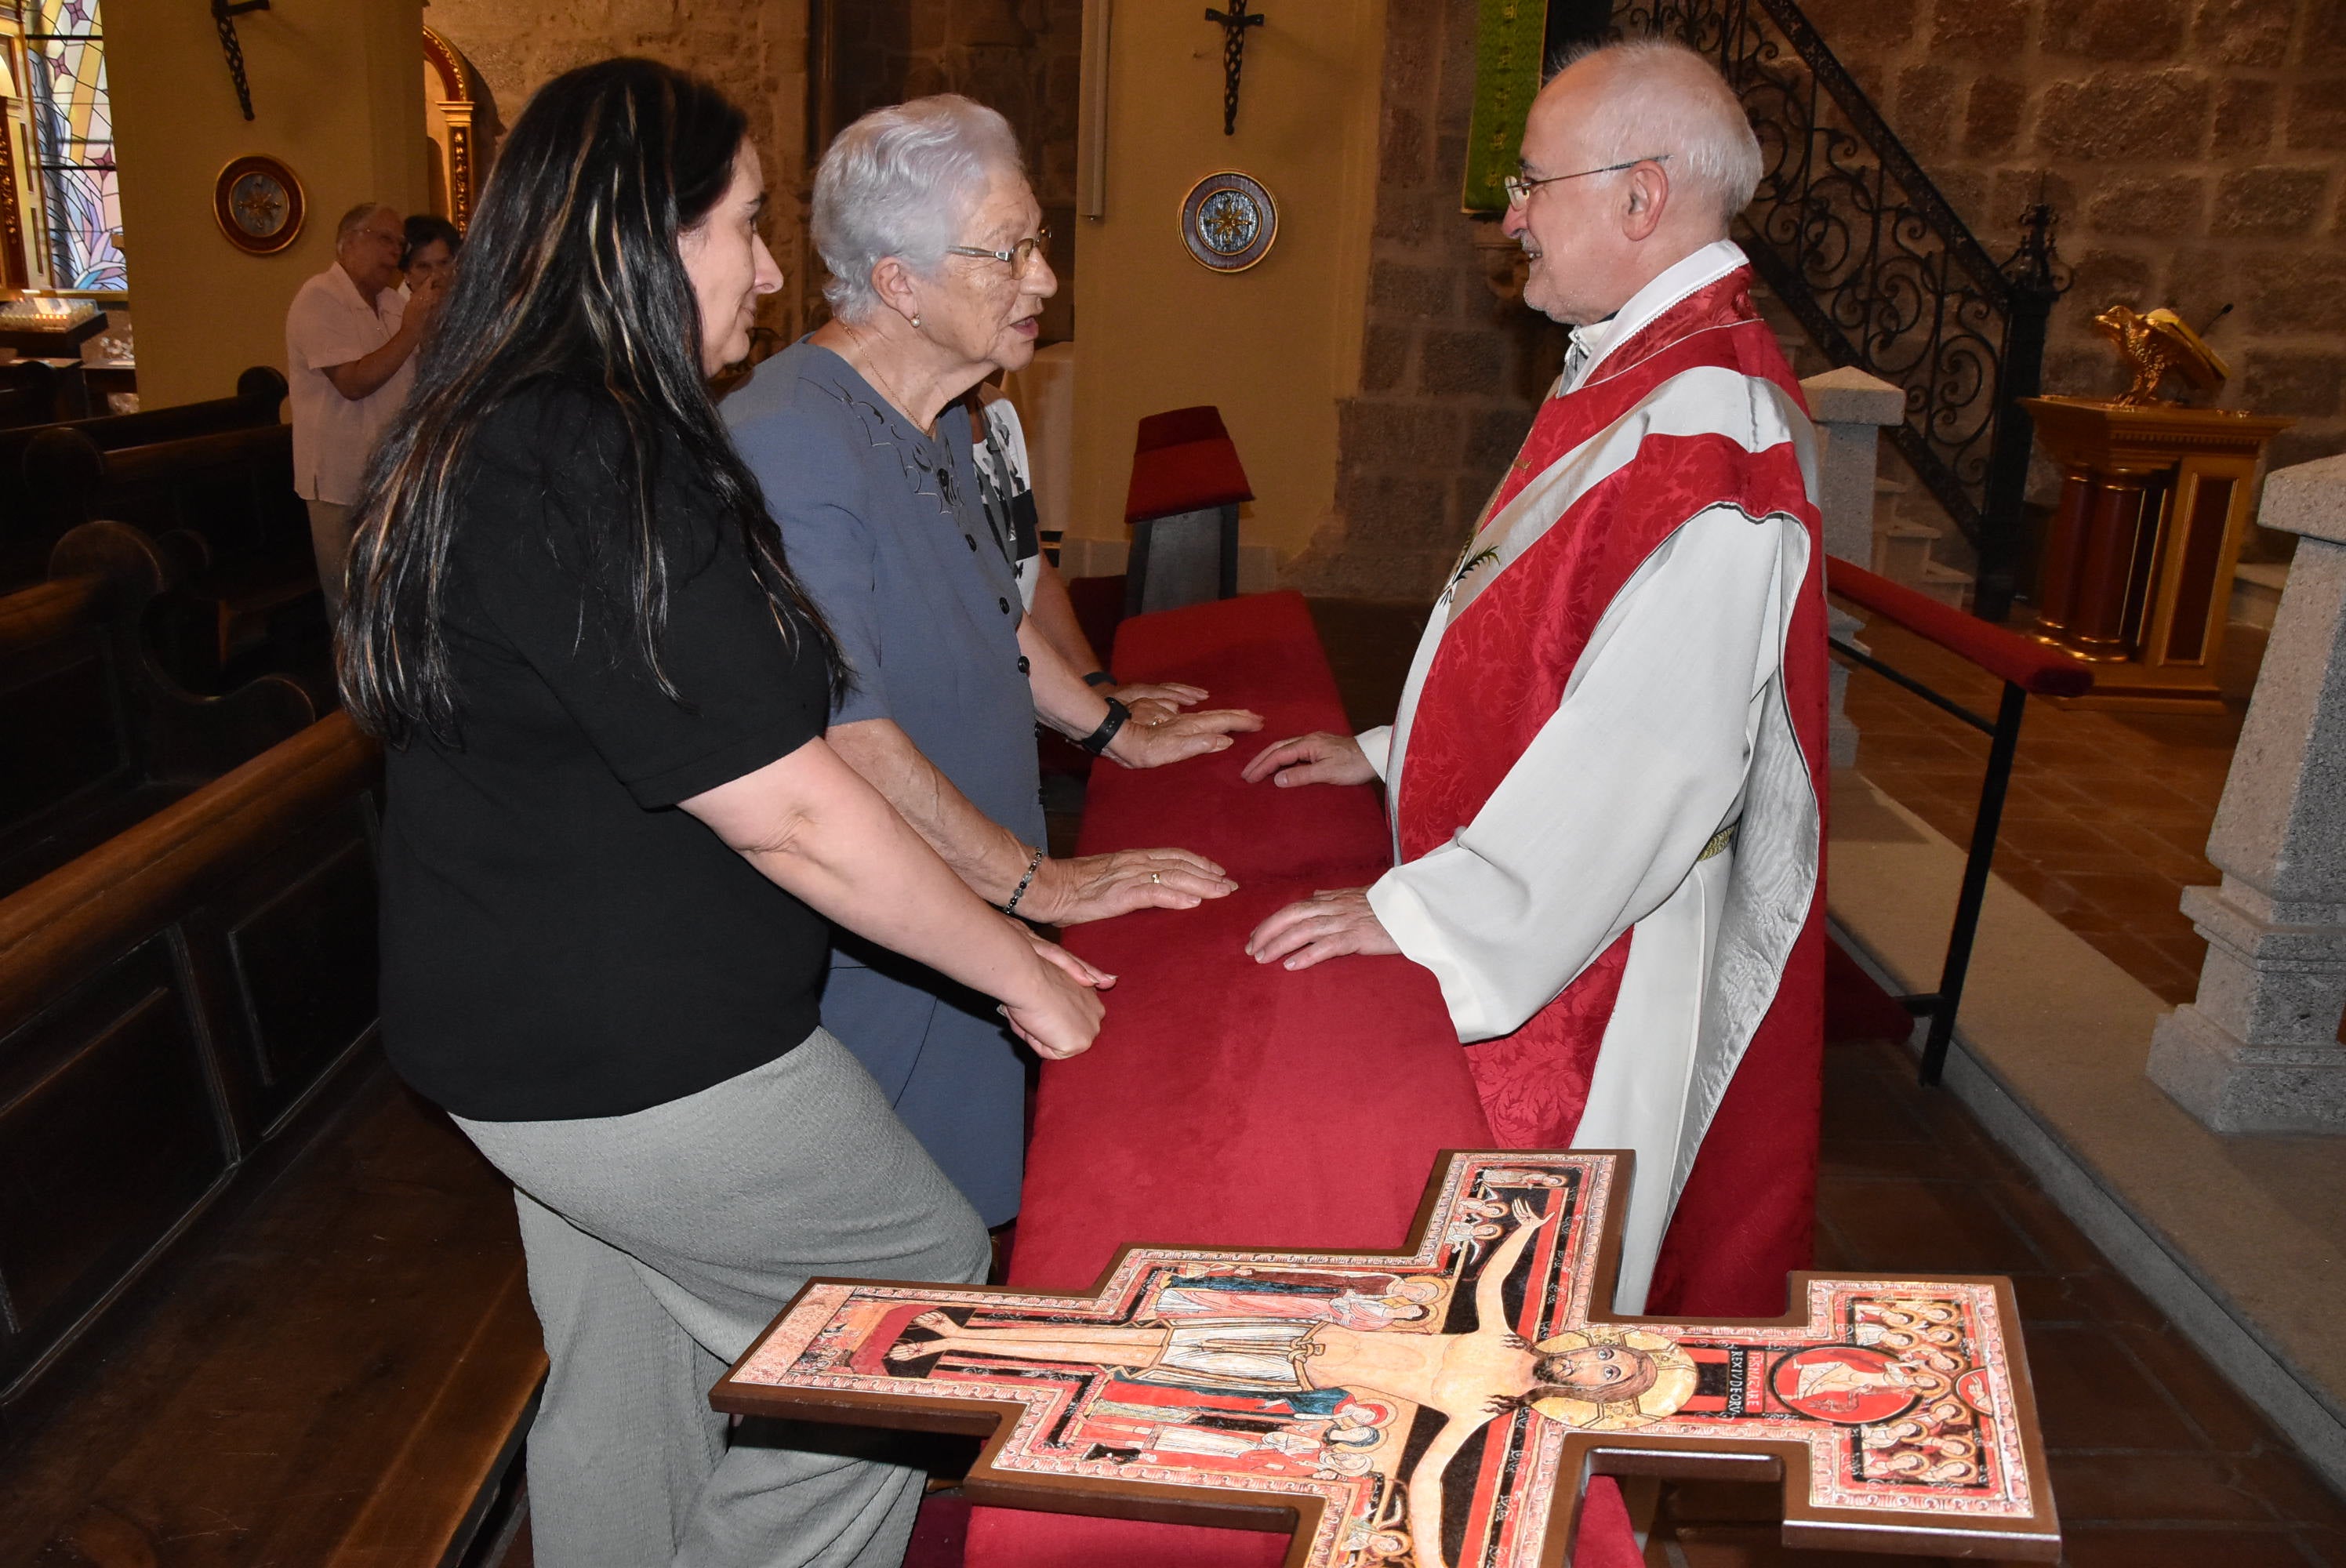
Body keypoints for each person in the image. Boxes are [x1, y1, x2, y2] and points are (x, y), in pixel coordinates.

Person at [340, 58, 1107, 1568]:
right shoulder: (588, 456)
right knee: (905, 1313)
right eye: (745, 226)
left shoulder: (503, 423)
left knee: (633, 1383)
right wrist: (1020, 968)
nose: (768, 270)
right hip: (634, 1049)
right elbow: (792, 809)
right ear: (644, 235)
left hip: (525, 1035)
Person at [1240, 38, 1828, 1320]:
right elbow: (1541, 627)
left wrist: (1431, 920)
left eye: (1530, 183)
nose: (1510, 218)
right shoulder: (1639, 369)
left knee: (1521, 1309)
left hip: (1591, 942)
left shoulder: (1711, 430)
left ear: (1639, 197)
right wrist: (1392, 750)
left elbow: (1649, 755)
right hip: (1548, 892)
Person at [725, 96, 1261, 1229]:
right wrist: (1042, 883)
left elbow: (992, 609)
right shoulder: (792, 441)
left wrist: (1114, 730)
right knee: (879, 1264)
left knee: (983, 1218)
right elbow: (842, 735)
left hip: (977, 897)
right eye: (1007, 251)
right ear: (899, 282)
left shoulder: (948, 416)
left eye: (1038, 242)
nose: (1043, 279)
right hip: (874, 949)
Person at [286, 201, 445, 612]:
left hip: (390, 478)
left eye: (400, 244)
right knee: (350, 602)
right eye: (385, 239)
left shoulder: (391, 303)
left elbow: (419, 379)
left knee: (393, 599)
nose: (395, 252)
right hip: (339, 481)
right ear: (348, 242)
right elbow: (353, 383)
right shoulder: (319, 297)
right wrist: (412, 330)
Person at [401, 212, 463, 294]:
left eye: (443, 263)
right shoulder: (393, 301)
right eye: (424, 266)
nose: (436, 275)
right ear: (407, 274)